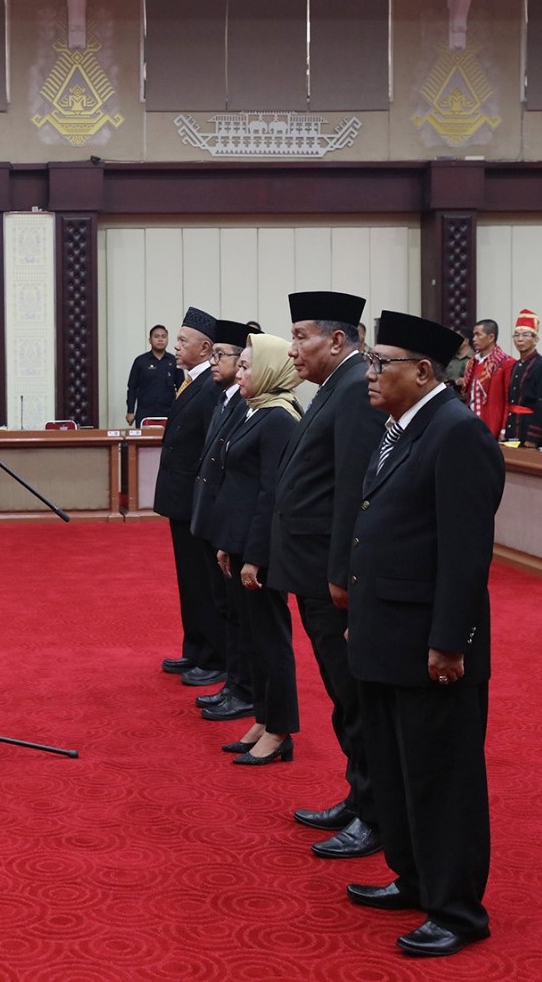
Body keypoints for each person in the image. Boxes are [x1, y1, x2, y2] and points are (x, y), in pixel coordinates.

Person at [345, 310, 503, 959]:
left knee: (442, 778)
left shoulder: (456, 432)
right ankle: (414, 879)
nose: (371, 373)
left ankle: (458, 910)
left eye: (383, 363)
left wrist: (449, 641)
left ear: (425, 370)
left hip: (430, 644)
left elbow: (466, 553)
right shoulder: (401, 427)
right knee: (398, 768)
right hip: (388, 635)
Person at [269, 291, 386, 859]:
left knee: (356, 698)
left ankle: (376, 812)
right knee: (343, 699)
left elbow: (353, 494)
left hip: (331, 578)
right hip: (312, 570)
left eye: (300, 337)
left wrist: (342, 575)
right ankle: (358, 794)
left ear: (337, 340)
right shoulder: (330, 388)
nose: (292, 350)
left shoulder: (357, 390)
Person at [209, 334, 303, 765]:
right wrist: (229, 544)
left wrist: (254, 556)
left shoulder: (279, 417)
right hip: (240, 541)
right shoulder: (256, 411)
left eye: (247, 366)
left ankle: (280, 729)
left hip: (260, 550)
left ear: (267, 369)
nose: (240, 373)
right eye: (240, 365)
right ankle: (264, 719)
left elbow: (271, 495)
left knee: (271, 639)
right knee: (253, 638)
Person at [188, 319, 255, 723]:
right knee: (225, 608)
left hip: (235, 527)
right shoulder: (224, 399)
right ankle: (234, 683)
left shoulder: (252, 406)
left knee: (238, 612)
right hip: (215, 521)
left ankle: (242, 687)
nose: (214, 362)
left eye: (222, 356)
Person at [153, 307, 224, 686]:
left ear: (206, 347)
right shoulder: (187, 381)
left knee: (202, 580)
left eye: (182, 341)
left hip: (196, 499)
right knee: (188, 580)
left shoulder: (210, 386)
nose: (176, 347)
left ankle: (213, 655)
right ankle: (195, 647)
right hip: (180, 498)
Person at [502, 309, 542, 447]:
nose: (520, 339)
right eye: (516, 335)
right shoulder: (516, 365)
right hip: (513, 429)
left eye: (526, 335)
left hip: (529, 432)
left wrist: (533, 438)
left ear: (536, 339)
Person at [461, 319, 511, 438]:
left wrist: (504, 429)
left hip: (492, 426)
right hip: (472, 423)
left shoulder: (505, 363)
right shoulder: (473, 362)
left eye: (478, 335)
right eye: (473, 335)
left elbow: (508, 399)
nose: (474, 339)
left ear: (491, 337)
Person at [125, 324, 178, 425]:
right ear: (150, 340)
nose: (160, 339)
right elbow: (132, 387)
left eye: (163, 336)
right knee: (144, 441)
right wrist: (130, 411)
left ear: (168, 339)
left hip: (169, 412)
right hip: (145, 412)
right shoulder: (140, 361)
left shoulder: (174, 361)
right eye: (156, 336)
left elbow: (181, 388)